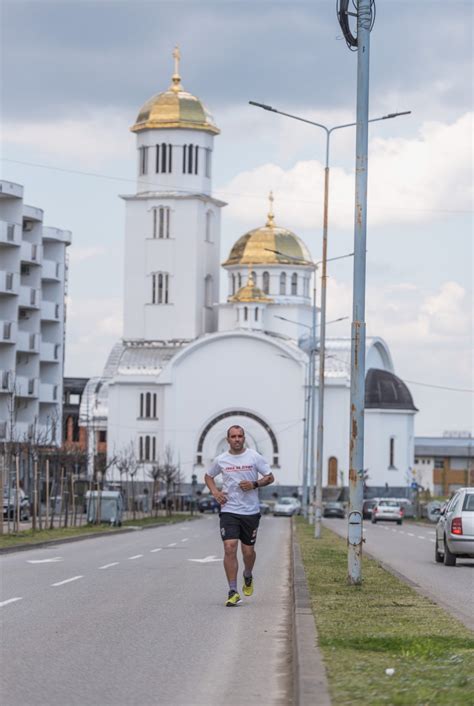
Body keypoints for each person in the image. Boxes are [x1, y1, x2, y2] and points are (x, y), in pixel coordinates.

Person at [204, 425, 274, 607]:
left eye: (240, 436)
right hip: (229, 510)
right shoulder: (221, 459)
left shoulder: (254, 457)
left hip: (250, 512)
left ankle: (248, 574)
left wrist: (254, 484)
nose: (237, 439)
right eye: (233, 436)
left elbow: (270, 477)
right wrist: (215, 492)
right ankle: (233, 591)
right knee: (229, 546)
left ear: (244, 438)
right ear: (228, 440)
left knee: (248, 552)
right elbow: (208, 476)